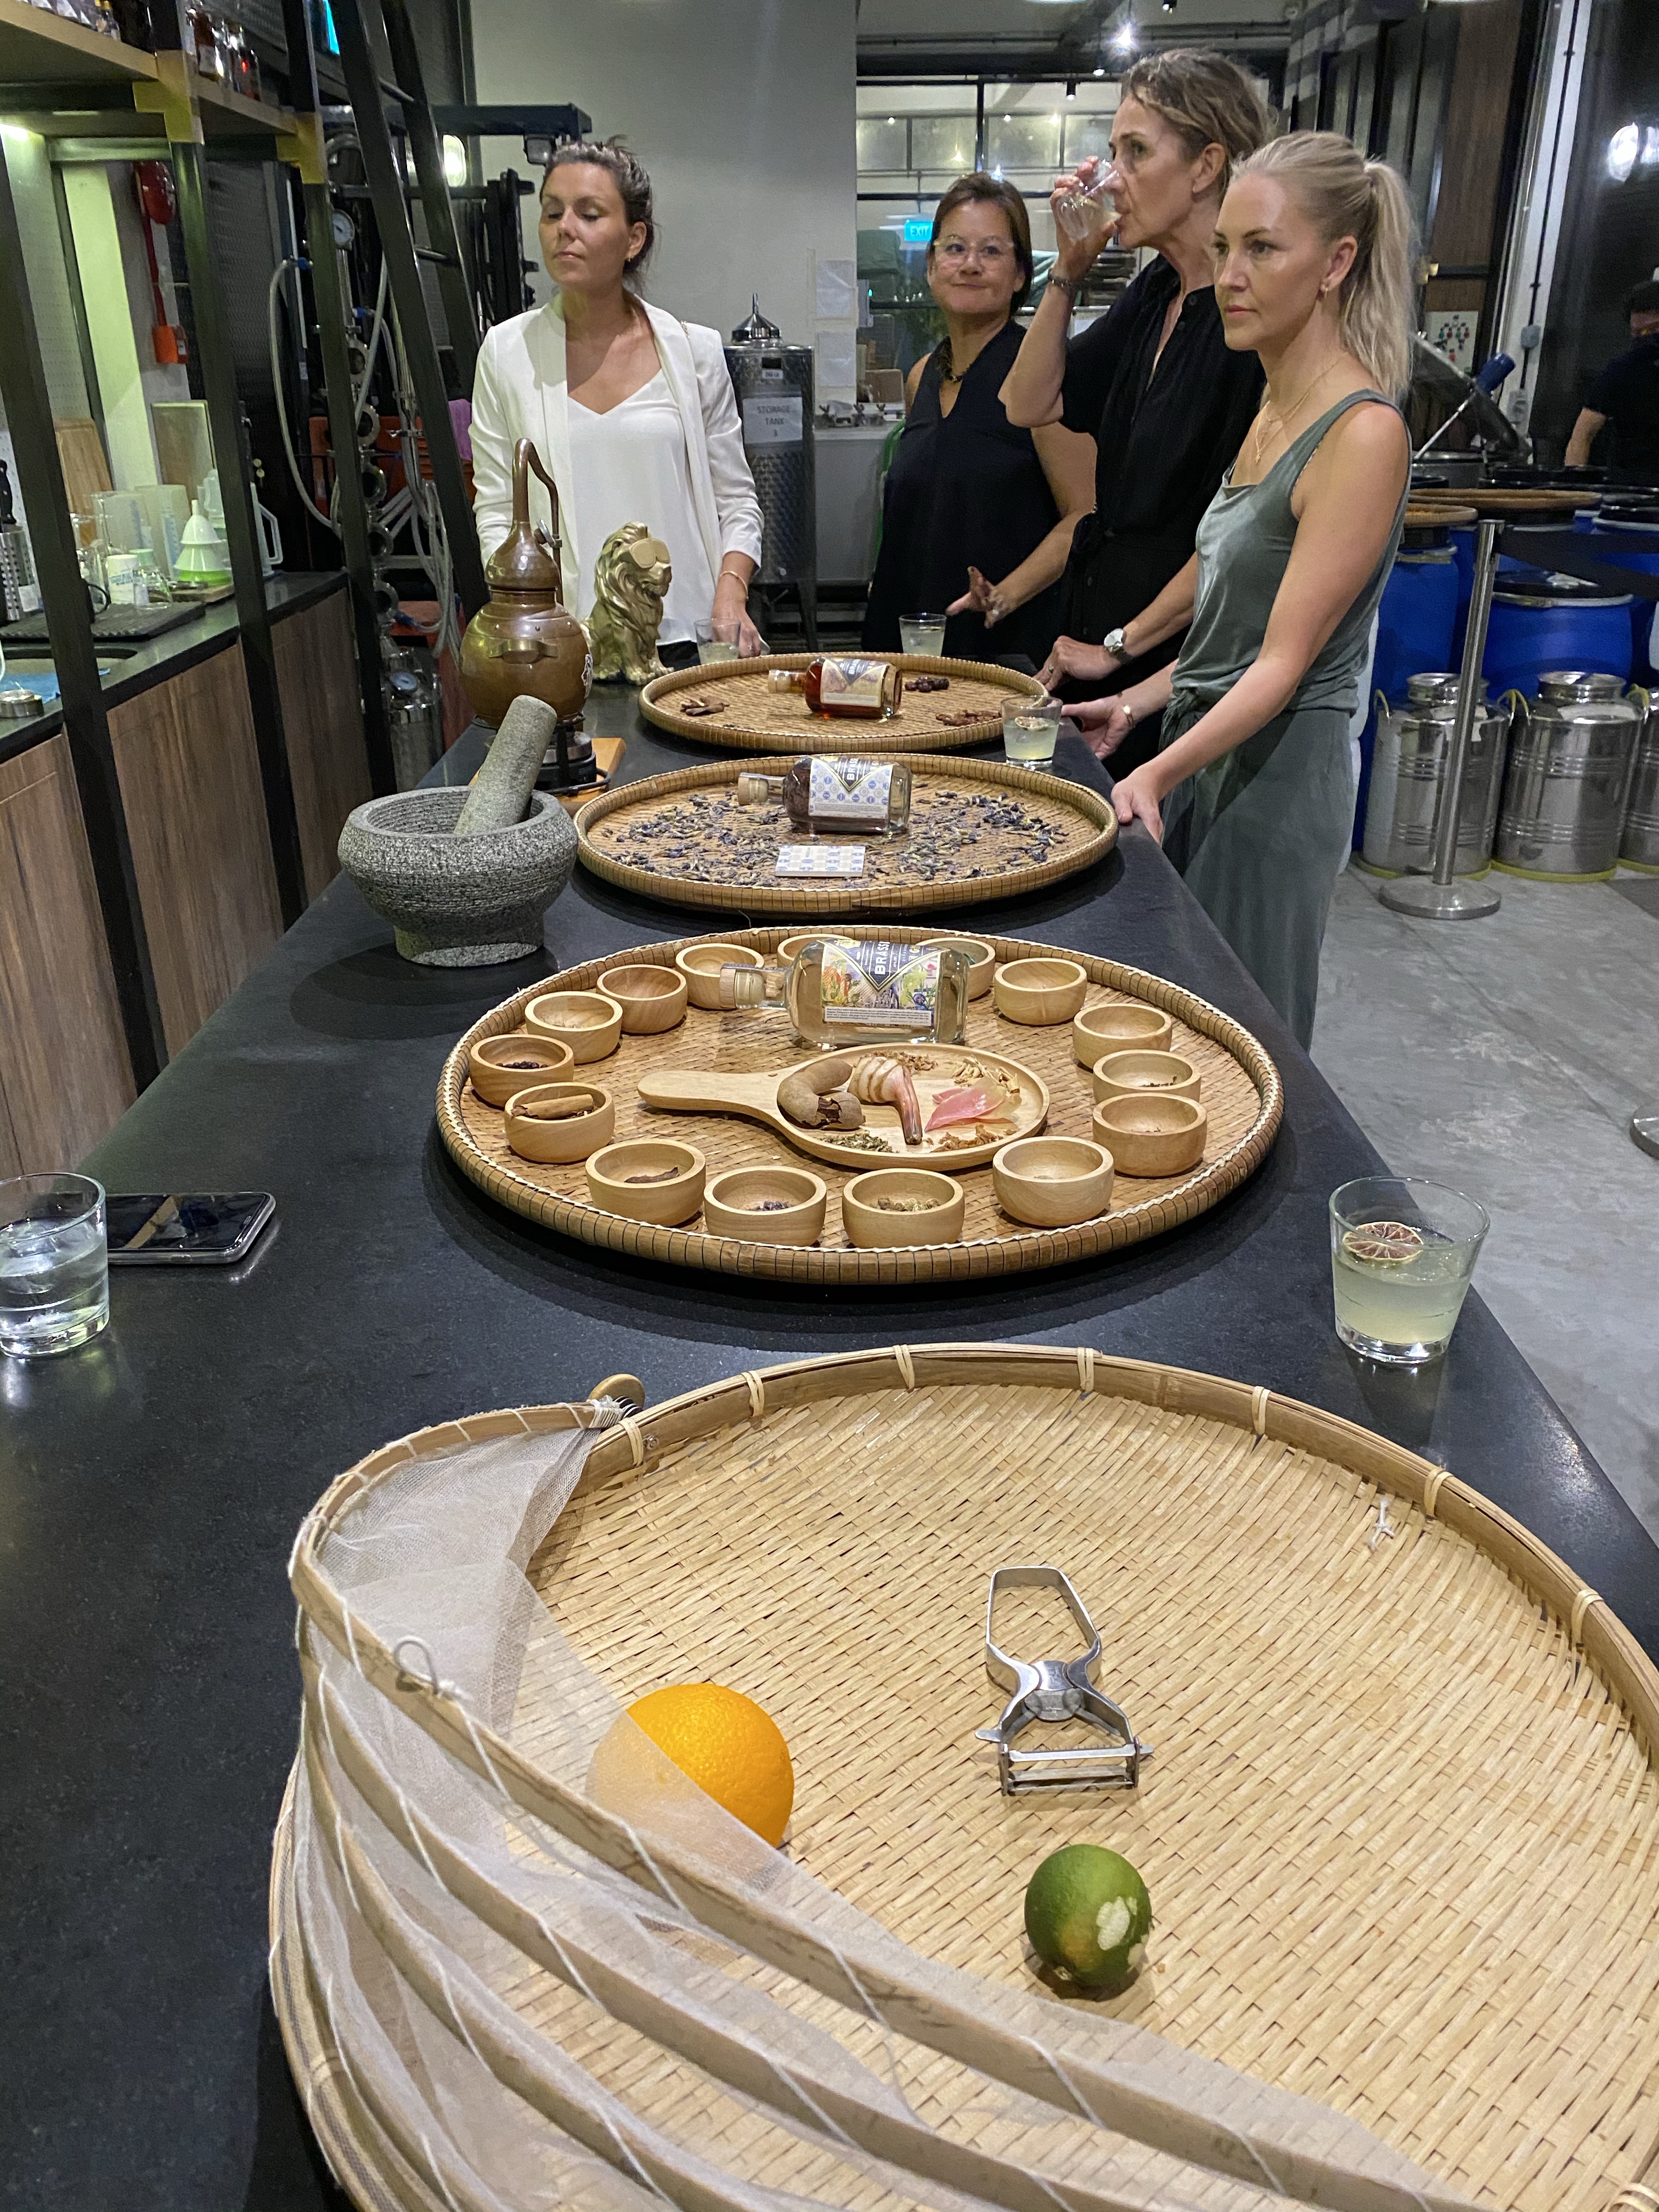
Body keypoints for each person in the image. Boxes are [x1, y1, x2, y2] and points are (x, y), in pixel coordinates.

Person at [1060, 132, 1413, 1050]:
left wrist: (1156, 770)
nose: (1230, 276)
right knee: (1186, 1036)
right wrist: (1132, 701)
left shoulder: (1360, 433)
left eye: (1262, 248)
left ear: (1335, 263)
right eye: (1223, 248)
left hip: (1273, 783)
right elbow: (1227, 618)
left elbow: (1279, 664)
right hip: (1209, 749)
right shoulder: (1272, 405)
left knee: (1251, 1045)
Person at [1001, 50, 1272, 773]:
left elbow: (1236, 544)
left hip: (1181, 666)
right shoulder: (1155, 294)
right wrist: (1067, 269)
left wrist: (1120, 648)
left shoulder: (1249, 325)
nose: (1113, 177)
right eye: (1114, 151)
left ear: (1206, 166)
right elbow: (1026, 402)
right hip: (1105, 647)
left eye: (1137, 152)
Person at [470, 138, 765, 658]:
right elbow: (496, 507)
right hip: (565, 644)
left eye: (589, 214)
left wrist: (731, 595)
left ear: (634, 238)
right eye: (552, 212)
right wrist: (523, 609)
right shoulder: (507, 353)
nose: (565, 228)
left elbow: (736, 500)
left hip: (686, 638)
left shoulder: (693, 352)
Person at [861, 175, 1094, 667]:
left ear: (1020, 275)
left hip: (1003, 644)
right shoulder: (922, 376)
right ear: (931, 267)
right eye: (955, 248)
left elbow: (1085, 514)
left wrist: (1005, 594)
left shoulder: (1042, 377)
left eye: (991, 251)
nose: (970, 264)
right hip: (911, 639)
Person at [1565, 280, 1659, 482]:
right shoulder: (1623, 370)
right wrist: (1573, 488)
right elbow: (1582, 434)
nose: (1646, 339)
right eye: (1638, 333)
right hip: (1632, 486)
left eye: (1653, 330)